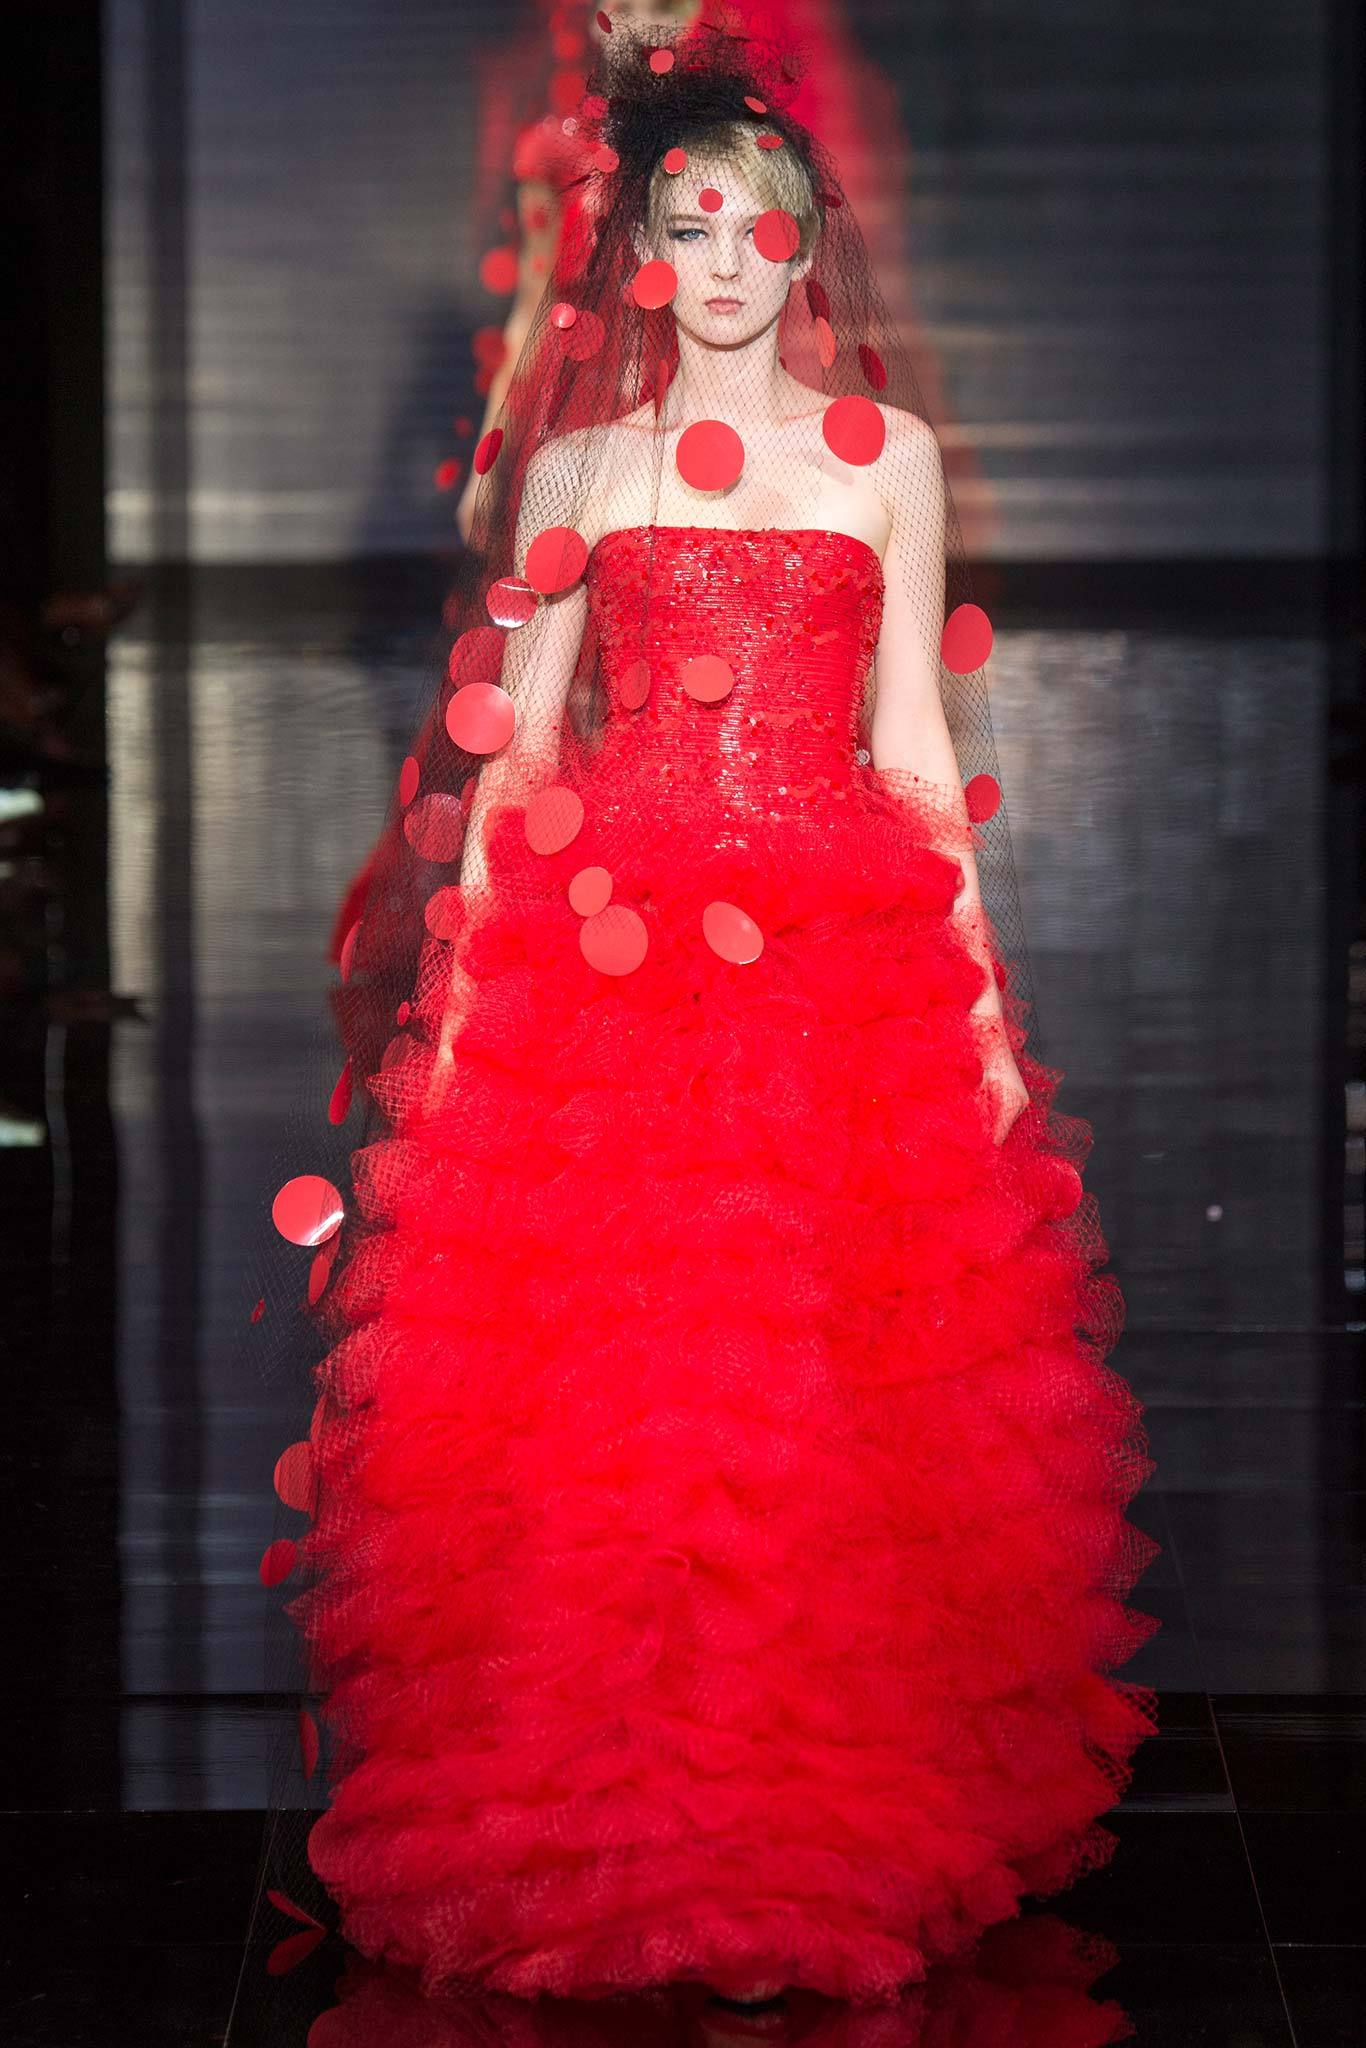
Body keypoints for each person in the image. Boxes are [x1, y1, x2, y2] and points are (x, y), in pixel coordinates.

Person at [232, 18, 1157, 2030]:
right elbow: (523, 748)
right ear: (641, 248)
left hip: (832, 952)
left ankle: (805, 1798)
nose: (723, 258)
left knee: (823, 1380)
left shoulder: (878, 460)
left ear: (806, 251)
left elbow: (911, 737)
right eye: (687, 222)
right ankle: (614, 1809)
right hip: (604, 951)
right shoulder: (579, 465)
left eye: (753, 226)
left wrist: (979, 1011)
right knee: (606, 1385)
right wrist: (470, 991)